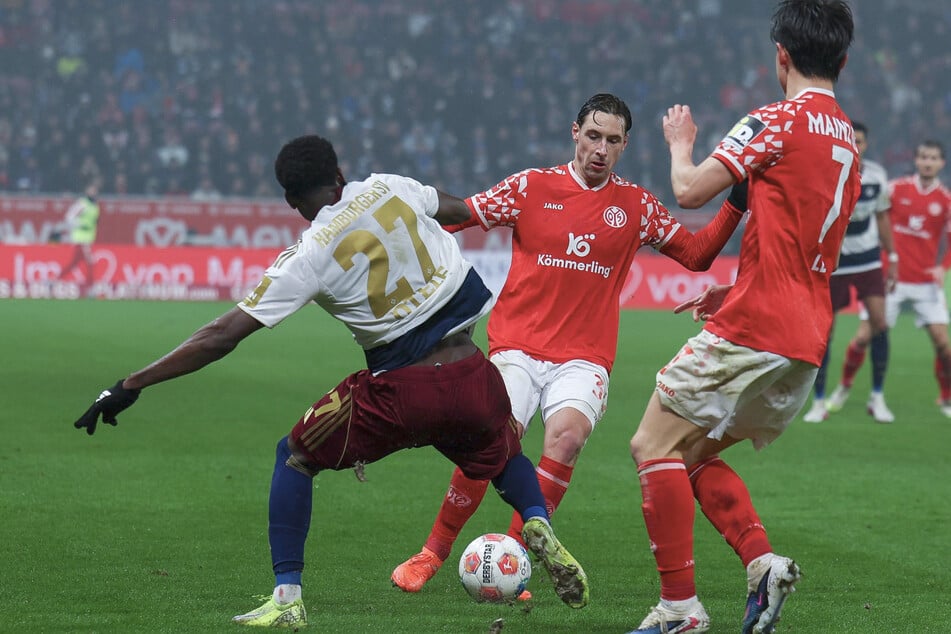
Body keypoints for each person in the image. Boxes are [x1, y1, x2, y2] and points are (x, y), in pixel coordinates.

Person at [71, 135, 590, 628]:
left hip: (401, 391)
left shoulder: (311, 252)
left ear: (293, 200)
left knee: (295, 456)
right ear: (340, 173)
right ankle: (535, 518)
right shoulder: (390, 187)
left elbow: (221, 336)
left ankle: (287, 599)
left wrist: (133, 383)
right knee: (503, 459)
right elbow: (459, 211)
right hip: (473, 372)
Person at [391, 93, 747, 595]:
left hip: (584, 357)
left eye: (613, 140)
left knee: (567, 437)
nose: (601, 148)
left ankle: (517, 554)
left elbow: (696, 254)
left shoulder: (637, 206)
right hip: (515, 346)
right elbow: (462, 214)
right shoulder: (530, 187)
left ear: (625, 145)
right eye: (593, 135)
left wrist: (738, 200)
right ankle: (433, 551)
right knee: (492, 438)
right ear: (575, 133)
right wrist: (397, 227)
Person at [626, 2, 858, 633]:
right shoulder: (847, 144)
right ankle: (763, 567)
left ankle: (679, 609)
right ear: (840, 59)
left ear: (780, 55)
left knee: (650, 445)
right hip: (805, 339)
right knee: (691, 455)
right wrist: (732, 290)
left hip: (757, 330)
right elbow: (803, 252)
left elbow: (690, 191)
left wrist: (681, 146)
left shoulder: (773, 121)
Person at [823, 139, 951, 418]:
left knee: (944, 344)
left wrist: (943, 266)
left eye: (933, 158)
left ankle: (946, 398)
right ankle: (844, 387)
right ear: (916, 161)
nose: (928, 162)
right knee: (863, 338)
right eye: (923, 157)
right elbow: (874, 214)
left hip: (926, 283)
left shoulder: (946, 200)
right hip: (891, 279)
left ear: (941, 163)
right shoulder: (895, 189)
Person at [801, 121, 897, 424]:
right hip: (836, 261)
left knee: (880, 323)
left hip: (869, 259)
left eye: (861, 141)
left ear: (867, 145)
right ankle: (817, 402)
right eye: (851, 140)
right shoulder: (828, 173)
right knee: (825, 332)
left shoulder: (878, 177)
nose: (856, 145)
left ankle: (877, 397)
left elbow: (882, 217)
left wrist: (892, 256)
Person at [58, 180, 101, 295]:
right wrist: (80, 224)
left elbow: (94, 223)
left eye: (95, 190)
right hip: (80, 239)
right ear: (86, 191)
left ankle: (55, 281)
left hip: (88, 238)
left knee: (74, 263)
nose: (93, 192)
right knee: (90, 262)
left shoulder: (95, 206)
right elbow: (69, 216)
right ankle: (90, 289)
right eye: (91, 190)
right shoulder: (82, 204)